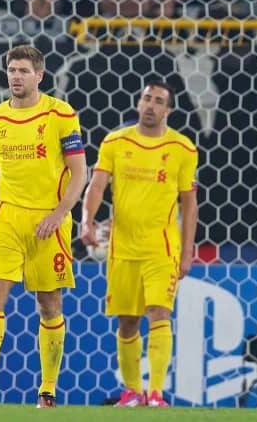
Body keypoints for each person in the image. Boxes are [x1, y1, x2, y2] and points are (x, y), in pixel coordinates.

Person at [0, 45, 87, 408]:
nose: (16, 76)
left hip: (50, 221)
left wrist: (58, 215)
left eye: (24, 70)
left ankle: (47, 389)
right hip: (7, 218)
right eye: (12, 70)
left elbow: (79, 173)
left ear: (39, 75)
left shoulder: (61, 114)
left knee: (49, 305)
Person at [80, 80, 198, 407]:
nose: (151, 105)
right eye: (147, 98)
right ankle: (132, 392)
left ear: (168, 110)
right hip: (123, 248)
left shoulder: (183, 149)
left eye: (159, 101)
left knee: (159, 313)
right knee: (127, 322)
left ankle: (156, 393)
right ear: (138, 103)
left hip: (162, 248)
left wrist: (187, 252)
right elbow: (97, 186)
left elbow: (190, 205)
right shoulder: (115, 142)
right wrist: (86, 220)